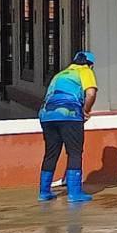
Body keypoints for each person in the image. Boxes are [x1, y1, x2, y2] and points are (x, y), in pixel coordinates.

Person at [38, 50, 99, 203]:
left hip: (46, 115)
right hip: (69, 114)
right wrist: (86, 111)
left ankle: (44, 192)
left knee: (51, 153)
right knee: (74, 152)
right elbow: (91, 93)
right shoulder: (85, 71)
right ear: (90, 65)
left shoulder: (60, 74)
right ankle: (75, 193)